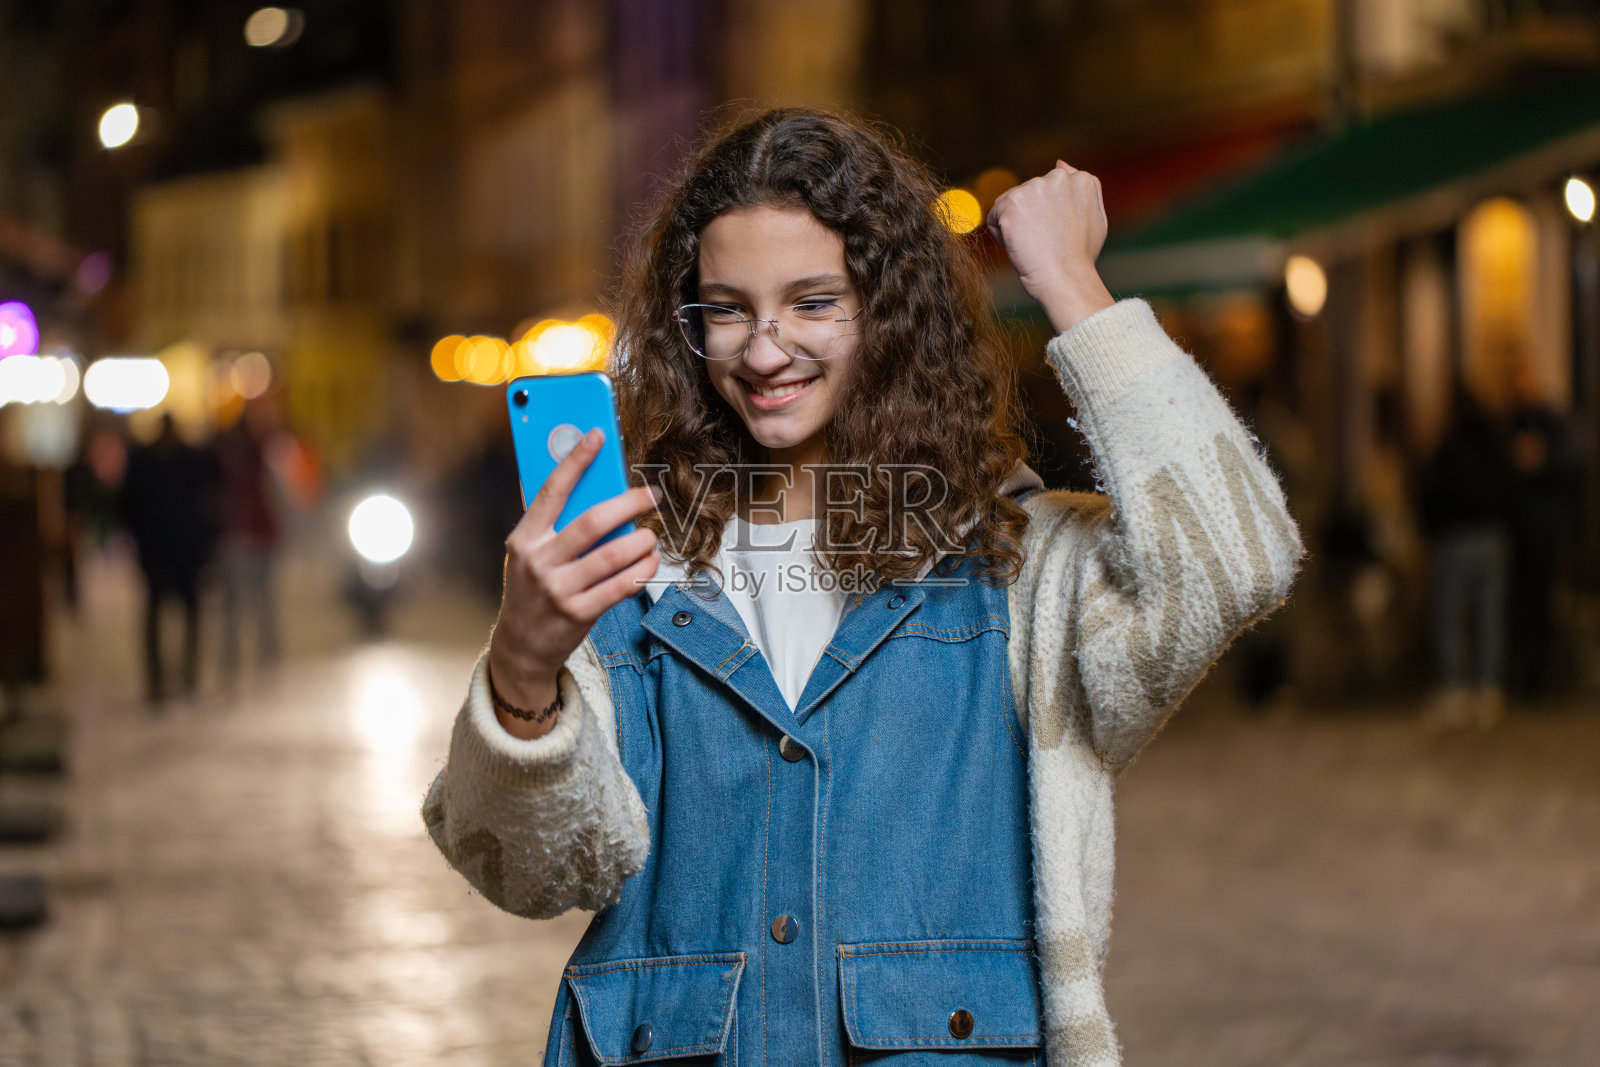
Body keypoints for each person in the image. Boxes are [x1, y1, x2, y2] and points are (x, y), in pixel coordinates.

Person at [420, 108, 1304, 1066]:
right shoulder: (630, 565)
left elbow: (1237, 557)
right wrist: (522, 674)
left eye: (812, 302)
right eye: (726, 308)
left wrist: (1070, 286)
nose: (763, 352)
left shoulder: (1018, 565)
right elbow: (534, 871)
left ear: (888, 310)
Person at [1416, 386, 1513, 729]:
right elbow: (1510, 488)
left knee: (1451, 616)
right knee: (1488, 616)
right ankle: (1488, 689)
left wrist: (1430, 531)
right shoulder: (1494, 445)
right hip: (1491, 536)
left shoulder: (1449, 447)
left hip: (1456, 538)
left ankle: (1455, 689)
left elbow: (1431, 492)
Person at [117, 413, 222, 706]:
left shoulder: (193, 461)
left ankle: (189, 675)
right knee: (154, 616)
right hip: (156, 551)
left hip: (186, 551)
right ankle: (156, 680)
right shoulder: (143, 462)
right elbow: (127, 506)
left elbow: (214, 494)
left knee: (190, 614)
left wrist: (207, 541)